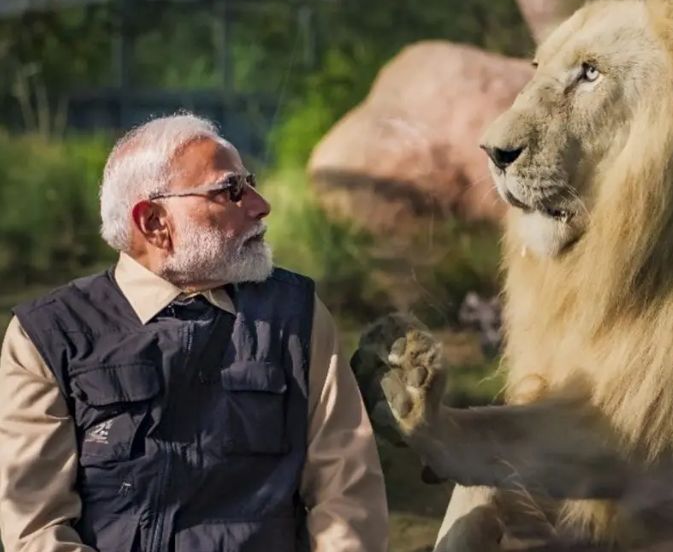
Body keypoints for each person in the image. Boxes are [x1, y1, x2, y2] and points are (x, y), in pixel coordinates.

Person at [0, 113, 389, 551]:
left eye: (251, 182)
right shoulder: (48, 337)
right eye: (230, 190)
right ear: (153, 222)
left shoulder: (297, 317)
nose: (261, 205)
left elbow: (347, 498)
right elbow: (36, 529)